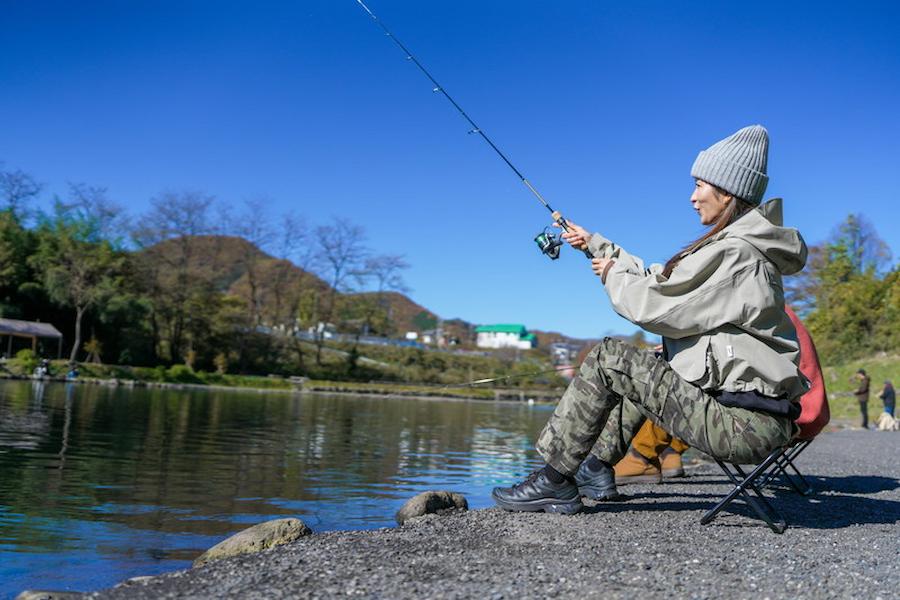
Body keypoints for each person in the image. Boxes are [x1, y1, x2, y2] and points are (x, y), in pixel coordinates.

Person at [492, 125, 809, 514]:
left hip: (743, 426)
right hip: (750, 418)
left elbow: (656, 306)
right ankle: (594, 467)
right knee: (654, 365)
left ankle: (554, 479)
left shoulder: (737, 255)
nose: (692, 197)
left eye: (699, 185)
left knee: (611, 356)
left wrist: (612, 274)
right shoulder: (737, 249)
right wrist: (596, 245)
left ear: (727, 191)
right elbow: (664, 280)